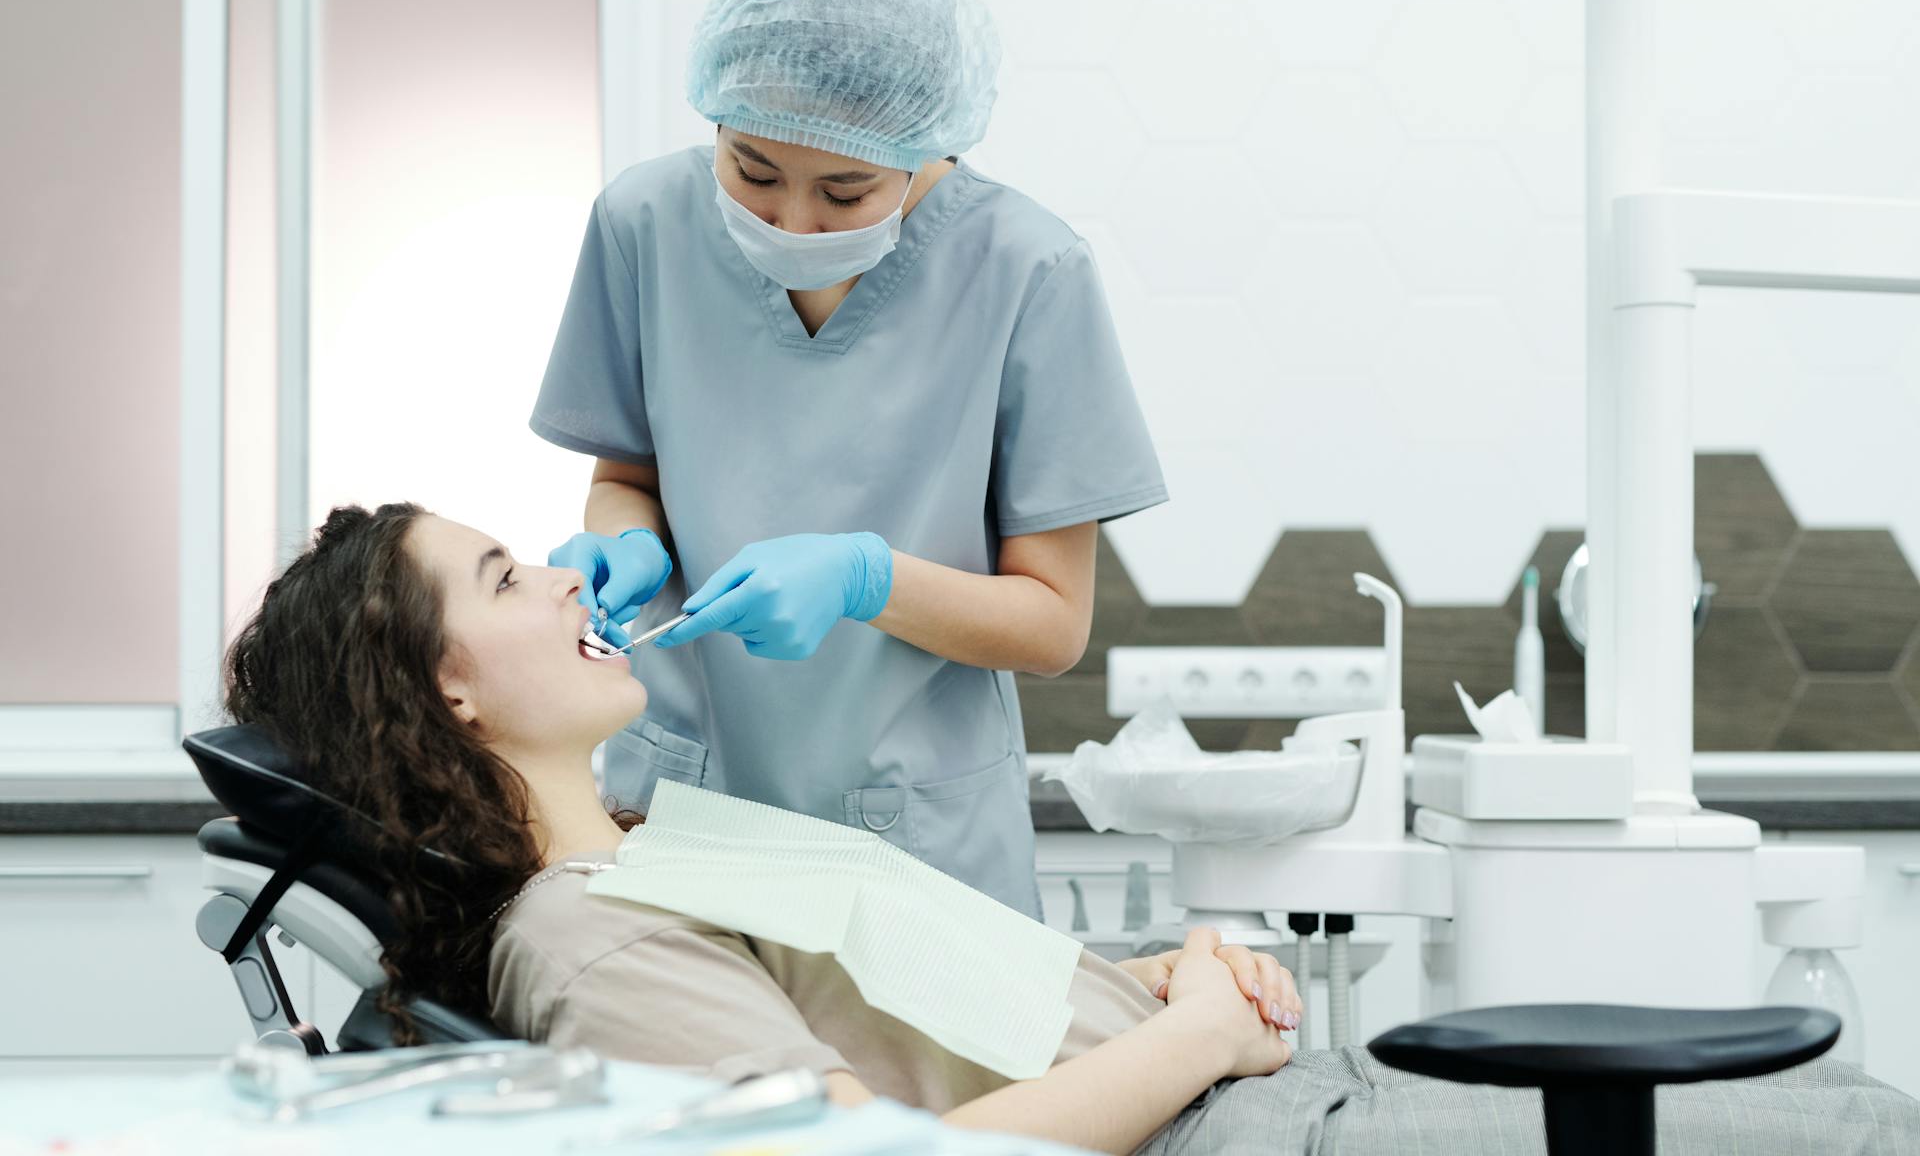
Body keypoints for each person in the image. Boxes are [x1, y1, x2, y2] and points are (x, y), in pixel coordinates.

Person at [222, 504, 1919, 1156]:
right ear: (445, 691)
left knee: (1845, 1101)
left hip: (1241, 1088)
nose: (570, 570)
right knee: (1848, 1127)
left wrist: (1160, 965)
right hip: (1229, 1137)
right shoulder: (582, 939)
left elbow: (938, 1000)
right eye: (514, 577)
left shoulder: (654, 847)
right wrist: (1186, 1040)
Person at [531, 0, 1166, 917]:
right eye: (749, 169)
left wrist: (866, 579)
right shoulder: (643, 224)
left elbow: (1050, 623)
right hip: (679, 813)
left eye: (845, 189)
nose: (791, 223)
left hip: (914, 844)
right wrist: (627, 545)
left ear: (927, 144)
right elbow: (629, 477)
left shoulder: (1026, 271)